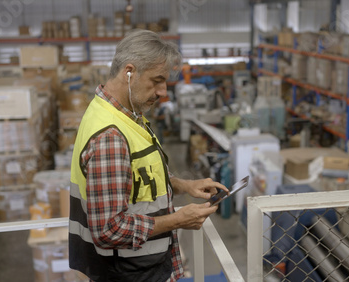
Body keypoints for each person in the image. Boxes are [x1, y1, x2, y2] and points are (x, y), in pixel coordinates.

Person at [69, 29, 229, 282]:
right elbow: (109, 230)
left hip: (142, 269)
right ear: (129, 72)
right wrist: (177, 220)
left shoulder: (124, 114)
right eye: (157, 80)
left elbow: (139, 179)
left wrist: (185, 185)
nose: (163, 92)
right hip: (128, 274)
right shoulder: (110, 137)